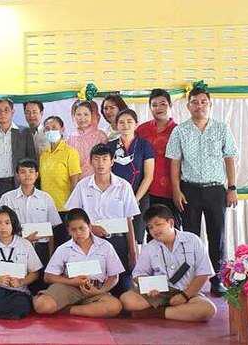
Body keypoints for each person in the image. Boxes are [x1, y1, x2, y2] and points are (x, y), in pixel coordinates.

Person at [166, 87, 238, 297]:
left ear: (210, 104)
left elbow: (230, 159)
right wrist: (176, 190)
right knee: (190, 237)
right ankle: (191, 282)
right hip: (189, 190)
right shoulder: (180, 131)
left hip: (216, 190)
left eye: (203, 102)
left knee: (218, 236)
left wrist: (232, 188)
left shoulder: (222, 128)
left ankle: (218, 279)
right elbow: (174, 163)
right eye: (195, 102)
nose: (199, 106)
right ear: (188, 106)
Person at [119, 204, 217, 321]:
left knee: (208, 309)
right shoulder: (150, 247)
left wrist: (185, 296)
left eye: (158, 224)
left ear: (170, 223)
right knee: (127, 300)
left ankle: (156, 313)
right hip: (160, 293)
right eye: (150, 227)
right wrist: (149, 287)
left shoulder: (193, 240)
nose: (154, 230)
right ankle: (178, 312)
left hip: (188, 292)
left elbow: (204, 273)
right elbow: (138, 274)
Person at [65, 143, 138, 295]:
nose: (100, 163)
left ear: (112, 161)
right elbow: (73, 216)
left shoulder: (124, 186)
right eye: (96, 159)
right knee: (92, 282)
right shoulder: (82, 186)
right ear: (90, 161)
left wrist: (132, 251)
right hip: (90, 242)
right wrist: (91, 228)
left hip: (118, 241)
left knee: (122, 289)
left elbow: (129, 220)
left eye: (105, 159)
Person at [32, 208, 123, 318]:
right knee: (43, 305)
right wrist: (71, 282)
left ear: (89, 227)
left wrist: (100, 291)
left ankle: (67, 309)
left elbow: (114, 277)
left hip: (96, 289)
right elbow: (48, 277)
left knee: (115, 306)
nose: (78, 233)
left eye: (82, 228)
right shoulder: (63, 249)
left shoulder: (105, 246)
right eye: (73, 230)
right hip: (69, 288)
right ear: (68, 231)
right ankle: (87, 309)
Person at [0, 158, 61, 293]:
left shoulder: (46, 198)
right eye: (23, 172)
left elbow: (51, 230)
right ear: (17, 175)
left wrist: (51, 254)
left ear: (37, 175)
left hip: (41, 248)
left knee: (40, 286)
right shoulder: (7, 198)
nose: (27, 175)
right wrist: (22, 239)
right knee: (17, 283)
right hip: (15, 247)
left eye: (31, 172)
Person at [106, 108, 155, 244]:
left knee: (137, 237)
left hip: (139, 196)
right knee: (117, 236)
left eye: (129, 121)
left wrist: (135, 199)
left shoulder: (145, 145)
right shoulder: (110, 146)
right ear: (116, 125)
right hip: (116, 197)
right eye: (121, 122)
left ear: (136, 124)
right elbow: (105, 173)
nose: (125, 125)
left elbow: (149, 176)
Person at [137, 88, 183, 228]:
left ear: (170, 105)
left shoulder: (179, 130)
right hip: (146, 190)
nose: (159, 108)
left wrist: (178, 190)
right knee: (150, 230)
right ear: (150, 108)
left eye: (163, 104)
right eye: (154, 105)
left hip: (171, 190)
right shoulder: (141, 130)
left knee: (171, 230)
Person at [0, 98, 37, 202]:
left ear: (12, 112)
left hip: (17, 183)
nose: (2, 113)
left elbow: (31, 159)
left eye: (6, 110)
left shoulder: (24, 132)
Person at [38, 115, 82, 246]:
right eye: (47, 129)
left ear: (62, 129)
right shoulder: (43, 154)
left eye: (54, 127)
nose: (50, 131)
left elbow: (75, 182)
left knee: (63, 245)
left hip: (64, 208)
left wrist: (73, 209)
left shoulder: (70, 152)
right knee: (47, 245)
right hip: (46, 208)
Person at [67, 100, 107, 178]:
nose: (82, 118)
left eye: (86, 114)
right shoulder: (70, 138)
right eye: (79, 114)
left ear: (91, 116)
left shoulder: (100, 136)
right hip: (76, 180)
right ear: (73, 116)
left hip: (96, 179)